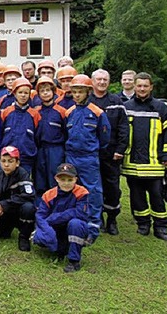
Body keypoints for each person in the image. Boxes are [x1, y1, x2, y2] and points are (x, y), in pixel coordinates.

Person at [122, 72, 167, 241]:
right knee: (136, 196)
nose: (142, 89)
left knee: (157, 196)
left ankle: (161, 227)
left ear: (151, 87)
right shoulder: (126, 106)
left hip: (155, 163)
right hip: (132, 162)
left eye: (145, 86)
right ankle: (143, 224)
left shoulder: (161, 108)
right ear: (134, 86)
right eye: (139, 85)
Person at [64, 74, 110, 244]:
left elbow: (105, 137)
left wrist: (94, 151)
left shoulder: (97, 113)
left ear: (88, 92)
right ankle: (75, 223)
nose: (77, 95)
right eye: (74, 92)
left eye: (80, 92)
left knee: (93, 192)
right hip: (71, 157)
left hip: (89, 158)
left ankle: (92, 228)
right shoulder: (69, 113)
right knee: (71, 190)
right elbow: (65, 134)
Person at [89, 69, 129, 235]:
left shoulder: (116, 101)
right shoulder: (87, 101)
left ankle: (112, 219)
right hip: (91, 153)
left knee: (112, 187)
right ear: (92, 82)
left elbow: (123, 128)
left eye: (105, 79)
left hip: (112, 154)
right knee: (94, 188)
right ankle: (97, 218)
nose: (102, 82)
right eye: (99, 79)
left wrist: (120, 149)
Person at [33, 163, 90, 272]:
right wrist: (47, 230)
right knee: (40, 238)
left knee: (75, 224)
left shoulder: (82, 192)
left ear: (76, 179)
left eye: (70, 180)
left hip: (72, 227)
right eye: (62, 179)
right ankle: (57, 247)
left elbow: (80, 213)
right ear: (56, 179)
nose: (66, 183)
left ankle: (74, 261)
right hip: (55, 227)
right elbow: (40, 216)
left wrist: (54, 218)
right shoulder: (48, 194)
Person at [0, 146, 36, 251]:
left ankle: (24, 237)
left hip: (16, 210)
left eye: (10, 161)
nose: (6, 164)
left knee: (29, 207)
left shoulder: (23, 175)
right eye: (3, 161)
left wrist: (4, 205)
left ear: (17, 163)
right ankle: (3, 227)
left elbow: (29, 195)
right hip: (3, 212)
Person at [33, 76, 67, 200]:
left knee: (55, 179)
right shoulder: (35, 111)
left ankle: (56, 206)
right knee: (39, 180)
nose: (45, 93)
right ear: (38, 94)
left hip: (56, 149)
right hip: (40, 149)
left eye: (48, 90)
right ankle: (40, 209)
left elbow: (66, 132)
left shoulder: (62, 112)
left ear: (54, 92)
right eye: (42, 91)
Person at [0, 77, 41, 174]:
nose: (23, 95)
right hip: (7, 157)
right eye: (20, 92)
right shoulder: (6, 112)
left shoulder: (34, 114)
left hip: (26, 157)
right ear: (14, 93)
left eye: (26, 93)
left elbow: (37, 137)